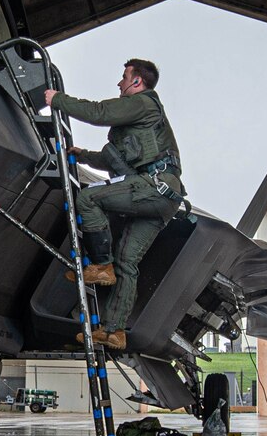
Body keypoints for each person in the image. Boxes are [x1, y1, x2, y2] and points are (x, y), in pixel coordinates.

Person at [42, 58, 184, 352]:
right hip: (164, 197)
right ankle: (113, 331)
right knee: (128, 262)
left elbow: (98, 112)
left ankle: (101, 266)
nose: (119, 83)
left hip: (153, 187)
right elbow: (113, 161)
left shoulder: (143, 102)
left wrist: (58, 100)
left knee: (88, 198)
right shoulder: (139, 120)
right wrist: (82, 155)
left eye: (124, 77)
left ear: (137, 82)